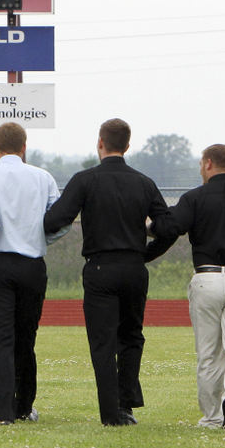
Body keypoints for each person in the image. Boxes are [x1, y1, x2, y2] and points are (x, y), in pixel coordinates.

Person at [43, 118, 172, 426]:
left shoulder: (85, 180)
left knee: (103, 343)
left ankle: (109, 412)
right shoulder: (143, 182)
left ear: (99, 143)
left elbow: (55, 220)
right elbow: (168, 228)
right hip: (133, 267)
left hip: (100, 268)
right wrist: (145, 252)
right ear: (127, 146)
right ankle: (126, 405)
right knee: (131, 336)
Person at [145, 144, 225, 429]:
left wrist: (147, 225)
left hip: (206, 277)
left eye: (201, 163)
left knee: (209, 352)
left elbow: (170, 228)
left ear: (209, 163)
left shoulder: (194, 198)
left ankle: (212, 417)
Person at [0, 122, 69, 425]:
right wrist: (40, 240)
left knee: (0, 340)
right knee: (26, 338)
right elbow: (60, 221)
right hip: (32, 265)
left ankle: (3, 412)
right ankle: (24, 405)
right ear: (24, 147)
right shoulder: (44, 178)